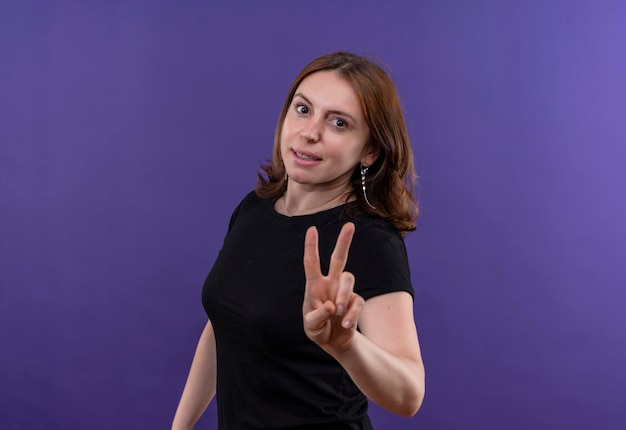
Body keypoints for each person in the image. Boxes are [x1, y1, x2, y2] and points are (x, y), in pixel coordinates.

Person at [172, 51, 425, 430]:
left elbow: (409, 394)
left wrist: (346, 346)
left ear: (369, 151)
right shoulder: (255, 209)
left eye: (339, 123)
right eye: (303, 110)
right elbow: (223, 327)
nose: (310, 132)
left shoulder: (368, 240)